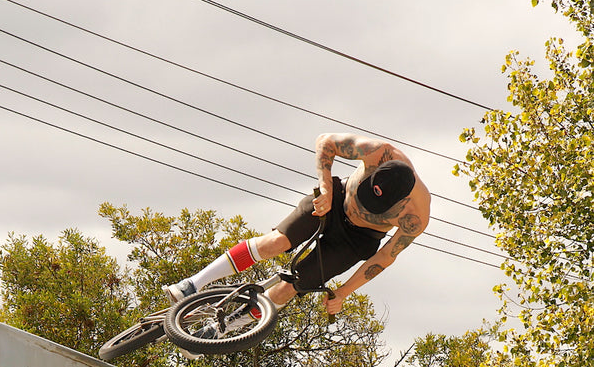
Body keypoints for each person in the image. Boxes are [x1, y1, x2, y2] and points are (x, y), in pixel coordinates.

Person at [165, 132, 431, 318]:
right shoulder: (378, 152)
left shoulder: (416, 216)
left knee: (293, 285)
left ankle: (224, 329)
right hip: (333, 202)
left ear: (403, 202)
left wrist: (343, 293)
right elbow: (326, 141)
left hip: (357, 241)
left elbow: (385, 256)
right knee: (276, 242)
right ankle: (192, 284)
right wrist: (326, 188)